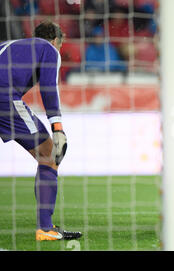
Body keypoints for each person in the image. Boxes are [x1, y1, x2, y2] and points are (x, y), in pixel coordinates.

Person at [0, 20, 82, 241]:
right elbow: (48, 87)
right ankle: (45, 228)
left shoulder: (9, 44)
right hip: (3, 98)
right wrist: (57, 128)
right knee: (49, 154)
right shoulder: (49, 49)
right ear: (56, 41)